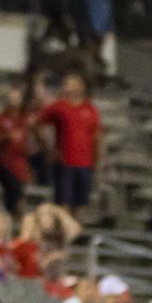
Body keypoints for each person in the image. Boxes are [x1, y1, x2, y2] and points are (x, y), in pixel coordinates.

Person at [39, 72, 101, 218]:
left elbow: (96, 135)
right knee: (63, 202)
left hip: (85, 163)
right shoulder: (59, 107)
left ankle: (75, 234)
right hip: (65, 162)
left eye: (72, 84)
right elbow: (39, 124)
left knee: (81, 203)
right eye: (67, 84)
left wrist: (98, 158)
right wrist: (47, 148)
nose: (68, 87)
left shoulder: (90, 109)